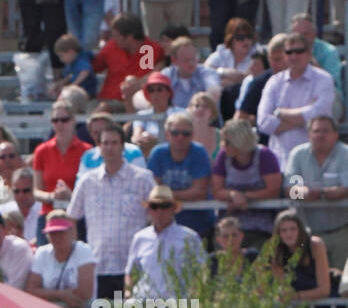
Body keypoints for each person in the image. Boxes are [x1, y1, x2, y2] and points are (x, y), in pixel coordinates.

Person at [70, 123, 157, 305]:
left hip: (132, 266)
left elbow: (158, 216)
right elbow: (72, 218)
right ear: (99, 146)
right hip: (98, 265)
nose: (110, 148)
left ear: (122, 146)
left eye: (114, 143)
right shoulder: (88, 181)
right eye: (105, 143)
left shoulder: (143, 179)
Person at [257, 30, 335, 168]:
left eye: (299, 51)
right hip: (280, 161)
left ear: (309, 53)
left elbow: (321, 117)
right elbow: (263, 123)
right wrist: (305, 118)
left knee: (301, 191)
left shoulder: (324, 79)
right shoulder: (274, 82)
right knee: (293, 190)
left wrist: (280, 113)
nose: (294, 56)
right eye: (289, 52)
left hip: (313, 162)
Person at [286, 115, 348, 278]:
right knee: (309, 281)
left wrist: (320, 193)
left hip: (340, 233)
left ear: (335, 135)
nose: (320, 135)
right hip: (307, 234)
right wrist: (305, 193)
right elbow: (290, 189)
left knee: (342, 285)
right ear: (309, 134)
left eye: (325, 131)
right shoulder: (297, 155)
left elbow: (345, 189)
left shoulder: (345, 154)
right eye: (316, 131)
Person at [125, 184, 205, 303]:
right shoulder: (140, 238)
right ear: (149, 210)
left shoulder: (189, 237)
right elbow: (131, 272)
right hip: (145, 304)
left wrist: (195, 297)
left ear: (173, 209)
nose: (159, 211)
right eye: (154, 206)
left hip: (178, 304)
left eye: (165, 206)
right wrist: (128, 293)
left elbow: (201, 270)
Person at [212, 117, 282, 250]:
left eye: (227, 142)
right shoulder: (223, 157)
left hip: (261, 229)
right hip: (229, 227)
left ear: (239, 142)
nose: (222, 145)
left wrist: (245, 197)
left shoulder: (265, 156)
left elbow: (273, 190)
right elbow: (216, 190)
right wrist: (233, 195)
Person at [148, 112, 214, 240]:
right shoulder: (158, 153)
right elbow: (154, 191)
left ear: (192, 136)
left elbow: (200, 192)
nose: (180, 137)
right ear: (166, 135)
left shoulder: (199, 153)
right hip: (165, 227)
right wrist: (183, 195)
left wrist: (167, 196)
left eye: (185, 134)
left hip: (199, 226)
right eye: (175, 133)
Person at [93, 14, 164, 113]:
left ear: (130, 37)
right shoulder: (111, 47)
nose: (113, 39)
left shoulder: (151, 49)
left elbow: (163, 67)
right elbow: (94, 67)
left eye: (116, 35)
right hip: (108, 100)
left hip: (138, 103)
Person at [26, 209, 95, 308]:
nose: (57, 237)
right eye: (53, 233)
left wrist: (47, 294)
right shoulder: (42, 253)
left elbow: (85, 293)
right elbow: (31, 290)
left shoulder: (84, 250)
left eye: (61, 232)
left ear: (71, 231)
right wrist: (62, 295)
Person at [33, 103, 92, 219]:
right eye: (55, 120)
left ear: (73, 121)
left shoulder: (87, 151)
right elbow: (36, 191)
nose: (60, 124)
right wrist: (53, 196)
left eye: (64, 120)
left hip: (78, 215)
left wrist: (71, 195)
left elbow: (92, 190)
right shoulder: (41, 151)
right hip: (49, 214)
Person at [236, 33, 287, 124]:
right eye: (271, 59)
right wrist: (260, 120)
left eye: (278, 59)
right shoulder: (259, 83)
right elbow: (241, 116)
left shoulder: (303, 80)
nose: (273, 64)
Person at [132, 71, 180, 157]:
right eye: (151, 90)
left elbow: (180, 138)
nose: (155, 93)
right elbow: (136, 137)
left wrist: (156, 140)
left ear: (168, 93)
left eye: (159, 89)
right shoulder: (141, 115)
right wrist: (143, 139)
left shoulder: (180, 113)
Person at [166, 37, 221, 109]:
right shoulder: (167, 75)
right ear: (174, 61)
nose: (191, 63)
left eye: (194, 58)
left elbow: (214, 93)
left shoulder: (206, 73)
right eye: (186, 60)